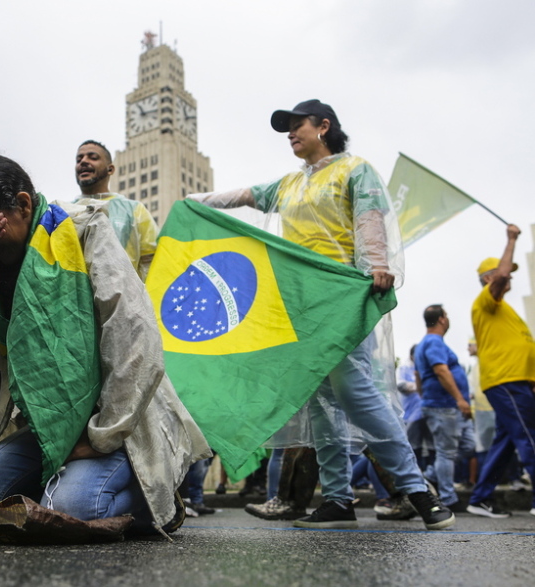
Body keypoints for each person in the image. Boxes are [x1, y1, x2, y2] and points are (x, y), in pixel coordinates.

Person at [190, 99, 453, 530]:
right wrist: (194, 202)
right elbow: (240, 195)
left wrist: (375, 267)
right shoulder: (290, 185)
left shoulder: (353, 170)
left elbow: (369, 218)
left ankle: (420, 493)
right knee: (320, 407)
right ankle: (337, 500)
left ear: (324, 126)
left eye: (298, 125)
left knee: (356, 394)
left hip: (341, 296)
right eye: (287, 128)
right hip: (301, 306)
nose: (291, 134)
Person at [0, 154, 210, 536]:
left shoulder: (85, 230)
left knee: (74, 508)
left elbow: (136, 338)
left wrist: (101, 437)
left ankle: (154, 497)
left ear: (22, 204)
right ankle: (56, 484)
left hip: (115, 424)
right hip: (44, 424)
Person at [467, 225, 535, 518]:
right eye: (503, 273)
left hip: (515, 382)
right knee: (530, 437)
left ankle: (479, 498)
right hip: (507, 381)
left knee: (506, 441)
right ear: (488, 278)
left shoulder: (504, 308)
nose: (510, 276)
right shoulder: (486, 300)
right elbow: (503, 274)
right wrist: (511, 240)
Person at [413, 304, 471, 513]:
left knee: (467, 445)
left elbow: (418, 376)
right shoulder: (434, 342)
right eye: (446, 316)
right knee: (446, 453)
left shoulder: (423, 344)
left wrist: (423, 396)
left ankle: (429, 475)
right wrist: (460, 399)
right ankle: (448, 497)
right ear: (442, 320)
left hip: (439, 405)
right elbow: (441, 370)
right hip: (444, 406)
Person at [72, 140, 157, 279]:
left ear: (110, 169)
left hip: (124, 298)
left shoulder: (135, 210)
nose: (83, 161)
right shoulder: (63, 211)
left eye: (92, 157)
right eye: (79, 159)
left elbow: (152, 261)